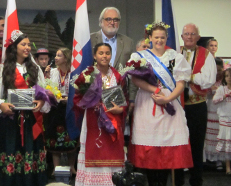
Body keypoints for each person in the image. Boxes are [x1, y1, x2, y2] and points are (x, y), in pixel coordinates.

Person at [128, 22, 193, 186]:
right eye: (156, 37)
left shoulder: (175, 57)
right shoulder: (140, 57)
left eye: (162, 37)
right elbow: (135, 79)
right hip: (148, 104)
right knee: (150, 151)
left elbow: (180, 83)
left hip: (169, 104)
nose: (159, 40)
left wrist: (168, 98)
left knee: (169, 149)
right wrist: (155, 90)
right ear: (150, 38)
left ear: (166, 38)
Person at [0, 30, 49, 186]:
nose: (27, 47)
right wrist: (1, 104)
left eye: (28, 44)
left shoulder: (35, 68)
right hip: (9, 122)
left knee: (31, 152)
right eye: (23, 44)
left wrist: (41, 103)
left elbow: (45, 93)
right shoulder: (3, 69)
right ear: (14, 47)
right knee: (9, 152)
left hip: (31, 122)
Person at [74, 43, 127, 186]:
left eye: (107, 53)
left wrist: (120, 110)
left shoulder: (117, 76)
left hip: (113, 122)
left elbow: (125, 100)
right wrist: (91, 102)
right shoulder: (87, 75)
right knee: (94, 151)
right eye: (101, 53)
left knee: (111, 152)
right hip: (92, 121)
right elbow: (77, 99)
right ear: (94, 55)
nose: (104, 56)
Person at [176, 23, 216, 186]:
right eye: (186, 34)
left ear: (198, 37)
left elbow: (208, 80)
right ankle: (177, 180)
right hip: (178, 106)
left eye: (193, 34)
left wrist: (189, 77)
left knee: (196, 145)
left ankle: (196, 180)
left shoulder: (206, 55)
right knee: (177, 143)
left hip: (197, 106)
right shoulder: (175, 53)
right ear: (182, 36)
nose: (189, 36)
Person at [45, 47, 77, 176]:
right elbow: (46, 88)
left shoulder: (74, 72)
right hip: (55, 108)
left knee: (71, 137)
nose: (56, 58)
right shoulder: (52, 72)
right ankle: (55, 168)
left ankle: (71, 167)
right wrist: (46, 76)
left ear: (66, 58)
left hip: (70, 107)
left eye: (59, 56)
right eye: (56, 55)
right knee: (54, 137)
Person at [204, 57, 224, 171]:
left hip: (222, 108)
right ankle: (210, 158)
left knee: (220, 133)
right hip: (211, 107)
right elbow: (205, 91)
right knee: (211, 133)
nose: (217, 72)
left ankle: (220, 159)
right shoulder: (209, 78)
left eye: (219, 69)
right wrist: (210, 89)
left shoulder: (225, 79)